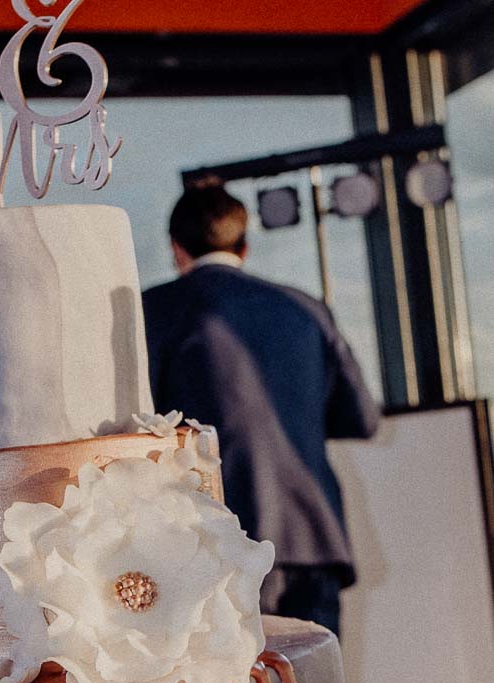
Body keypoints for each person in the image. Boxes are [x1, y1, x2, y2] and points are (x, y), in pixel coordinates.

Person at [142, 183, 380, 636]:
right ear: (245, 246)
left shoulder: (154, 310)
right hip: (311, 537)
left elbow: (138, 423)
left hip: (215, 539)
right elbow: (362, 418)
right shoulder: (306, 308)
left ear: (176, 249)